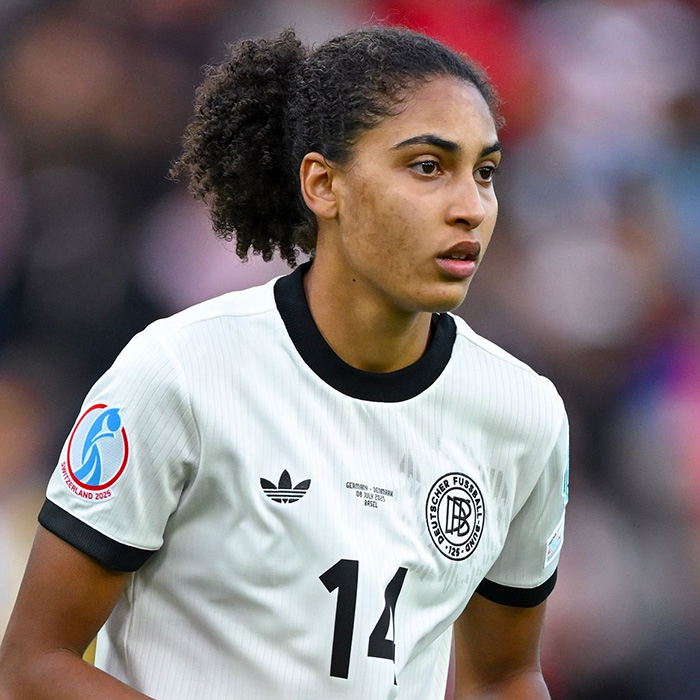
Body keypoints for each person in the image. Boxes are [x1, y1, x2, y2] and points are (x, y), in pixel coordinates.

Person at [0, 26, 569, 700]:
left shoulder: (523, 413)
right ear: (323, 184)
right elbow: (33, 667)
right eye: (427, 167)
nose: (470, 207)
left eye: (485, 172)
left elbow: (505, 676)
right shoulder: (181, 371)